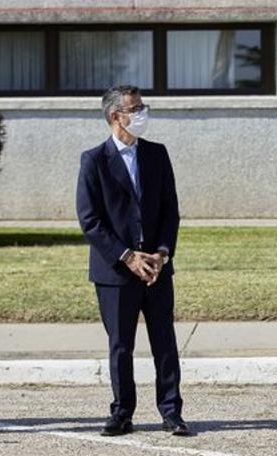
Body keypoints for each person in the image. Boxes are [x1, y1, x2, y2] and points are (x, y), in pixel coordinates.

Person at [76, 85, 188, 437]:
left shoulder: (157, 154)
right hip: (116, 272)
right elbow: (90, 220)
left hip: (156, 268)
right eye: (134, 109)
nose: (141, 114)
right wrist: (126, 256)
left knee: (165, 342)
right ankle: (122, 411)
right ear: (115, 116)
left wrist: (162, 253)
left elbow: (171, 210)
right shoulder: (93, 160)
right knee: (121, 345)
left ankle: (171, 411)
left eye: (142, 107)